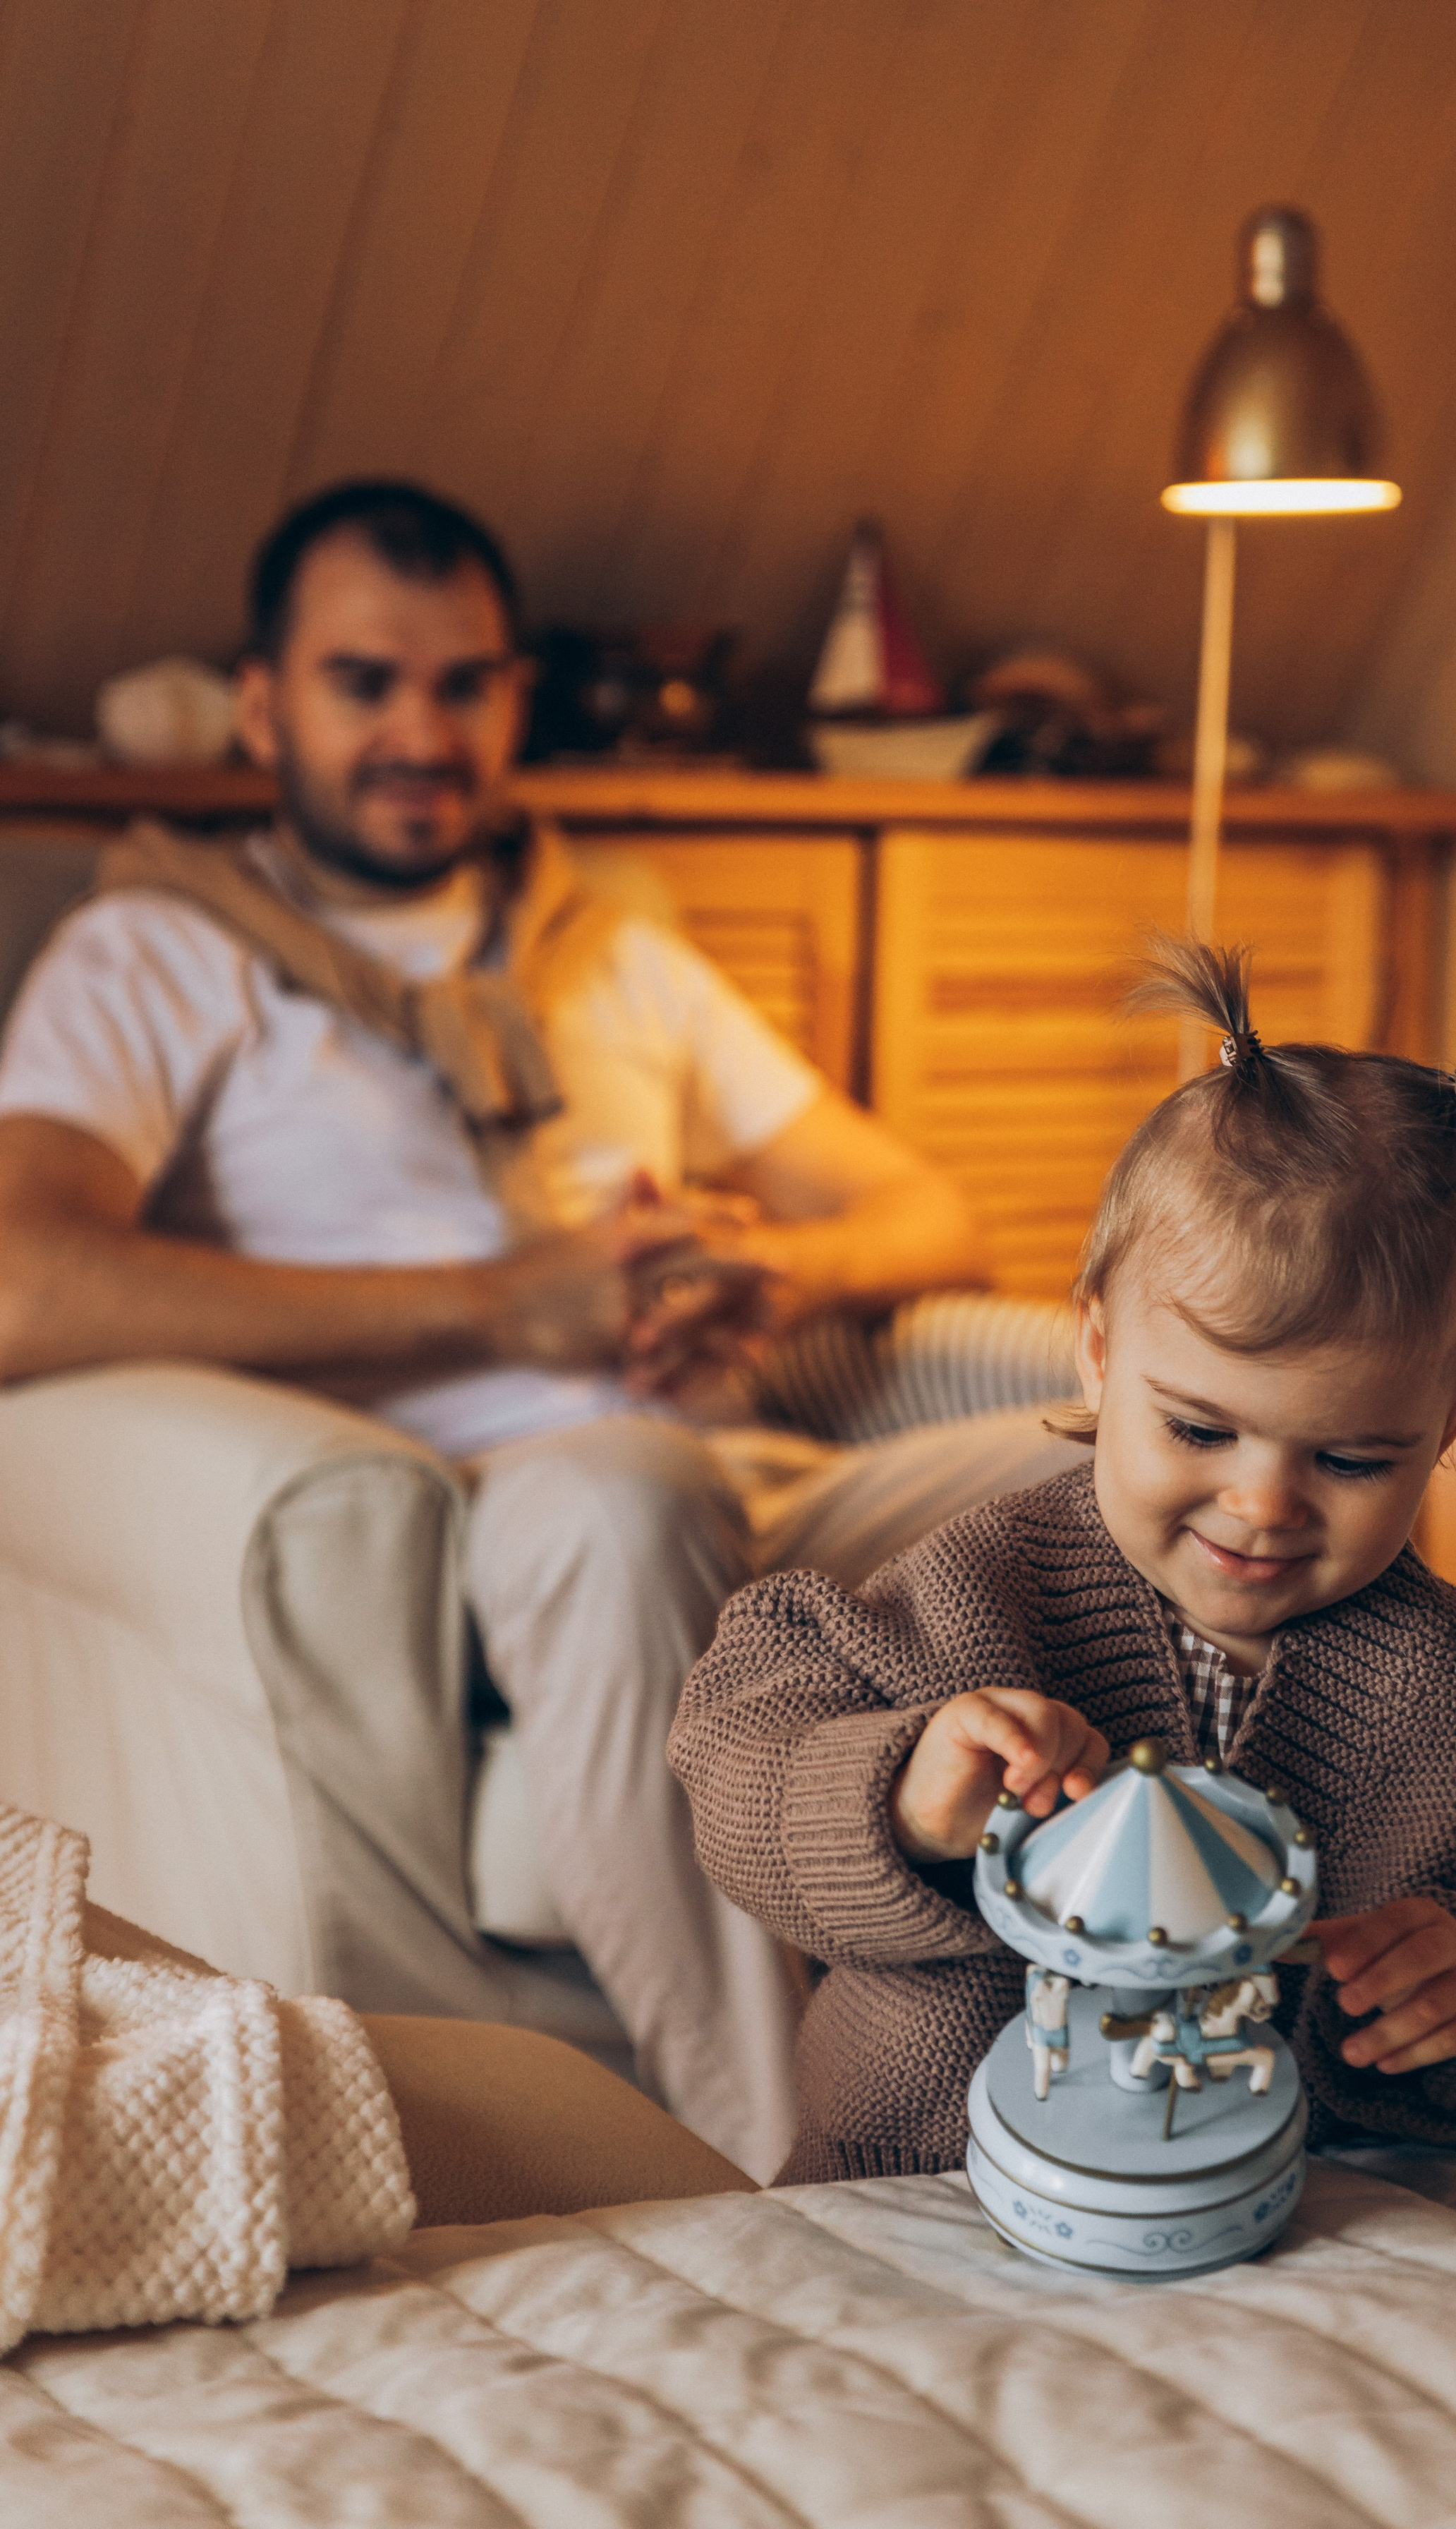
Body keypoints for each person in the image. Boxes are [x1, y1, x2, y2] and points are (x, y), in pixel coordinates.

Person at [0, 478, 1081, 2181]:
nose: (422, 730)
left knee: (1109, 1451)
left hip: (732, 1470)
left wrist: (775, 1268)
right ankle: (787, 2172)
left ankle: (1189, 2046)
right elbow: (21, 1277)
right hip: (471, 1528)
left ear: (515, 698)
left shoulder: (610, 947)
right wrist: (508, 1302)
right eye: (367, 682)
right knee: (612, 1490)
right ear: (263, 703)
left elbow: (927, 1212)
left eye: (467, 682)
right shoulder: (156, 954)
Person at [669, 943, 1456, 2183]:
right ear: (1096, 1349)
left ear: (1449, 1421)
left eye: (1352, 1461)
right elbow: (737, 1748)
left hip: (1307, 2222)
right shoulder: (974, 1589)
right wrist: (906, 1797)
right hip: (922, 2189)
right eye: (1199, 1430)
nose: (1262, 1508)